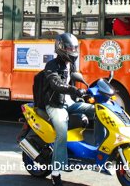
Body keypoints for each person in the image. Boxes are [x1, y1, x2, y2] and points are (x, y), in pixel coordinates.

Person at [42, 33, 94, 186]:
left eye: (74, 47)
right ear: (60, 48)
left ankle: (102, 149)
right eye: (69, 47)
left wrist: (85, 89)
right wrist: (74, 90)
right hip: (55, 105)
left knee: (98, 110)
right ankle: (56, 172)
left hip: (69, 102)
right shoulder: (51, 65)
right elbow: (56, 84)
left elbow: (74, 77)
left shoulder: (70, 64)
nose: (72, 50)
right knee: (62, 132)